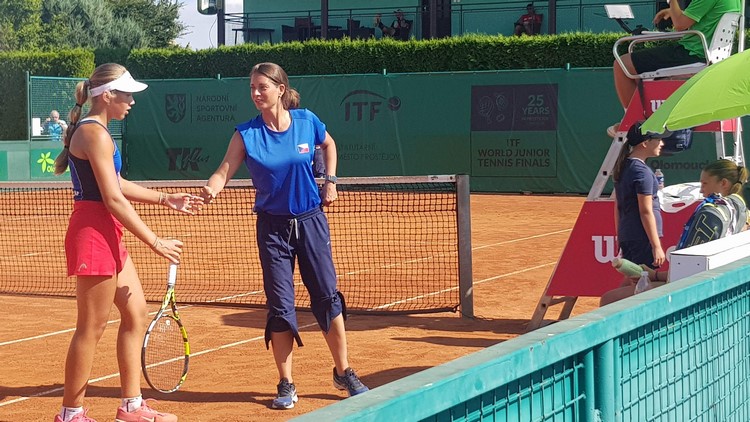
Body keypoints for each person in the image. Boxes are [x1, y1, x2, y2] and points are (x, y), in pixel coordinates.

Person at [200, 62, 369, 410]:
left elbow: (329, 144)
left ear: (280, 89)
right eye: (252, 88)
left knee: (326, 297)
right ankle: (286, 383)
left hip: (310, 222)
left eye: (262, 87)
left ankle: (344, 371)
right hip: (272, 229)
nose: (256, 93)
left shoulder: (307, 120)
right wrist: (210, 190)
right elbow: (224, 170)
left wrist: (330, 181)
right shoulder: (246, 134)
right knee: (280, 307)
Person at [52, 63, 203, 422]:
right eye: (127, 94)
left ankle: (131, 407)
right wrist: (155, 241)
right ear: (108, 96)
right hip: (93, 234)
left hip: (108, 233)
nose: (132, 101)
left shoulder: (101, 132)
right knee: (91, 327)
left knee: (136, 315)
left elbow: (118, 184)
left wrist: (165, 199)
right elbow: (113, 199)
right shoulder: (95, 134)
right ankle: (71, 414)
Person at [601, 158, 749, 305]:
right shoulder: (741, 210)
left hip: (692, 293)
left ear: (723, 183)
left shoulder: (710, 214)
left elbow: (687, 274)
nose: (701, 190)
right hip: (720, 286)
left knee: (609, 299)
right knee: (625, 288)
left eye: (705, 184)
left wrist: (656, 275)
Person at [609, 0, 740, 136]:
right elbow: (706, 18)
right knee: (638, 72)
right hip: (705, 55)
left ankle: (632, 124)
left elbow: (680, 25)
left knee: (622, 64)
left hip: (691, 53)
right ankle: (644, 123)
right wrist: (675, 12)